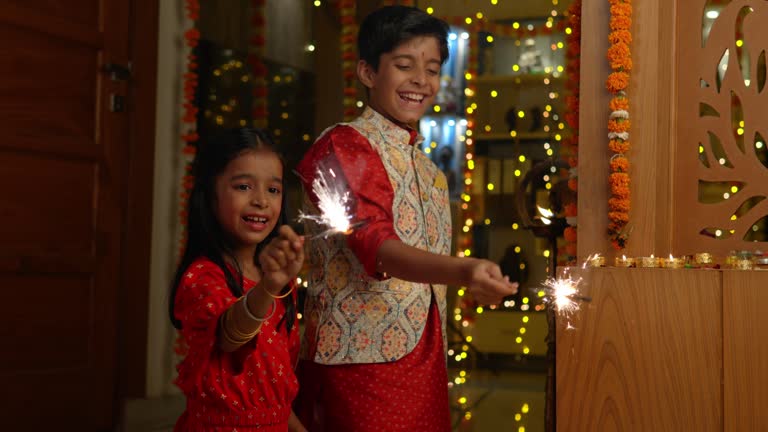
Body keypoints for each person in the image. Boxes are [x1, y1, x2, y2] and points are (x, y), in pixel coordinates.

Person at [294, 6, 518, 431]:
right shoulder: (343, 146)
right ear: (367, 72)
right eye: (404, 65)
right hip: (359, 365)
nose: (421, 80)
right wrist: (466, 269)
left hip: (425, 356)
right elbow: (376, 246)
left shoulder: (430, 171)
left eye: (432, 69)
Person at [169, 128, 307, 432]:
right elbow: (231, 336)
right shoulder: (203, 275)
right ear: (210, 193)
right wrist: (269, 287)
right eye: (244, 186)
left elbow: (275, 392)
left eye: (273, 190)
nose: (260, 201)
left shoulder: (280, 283)